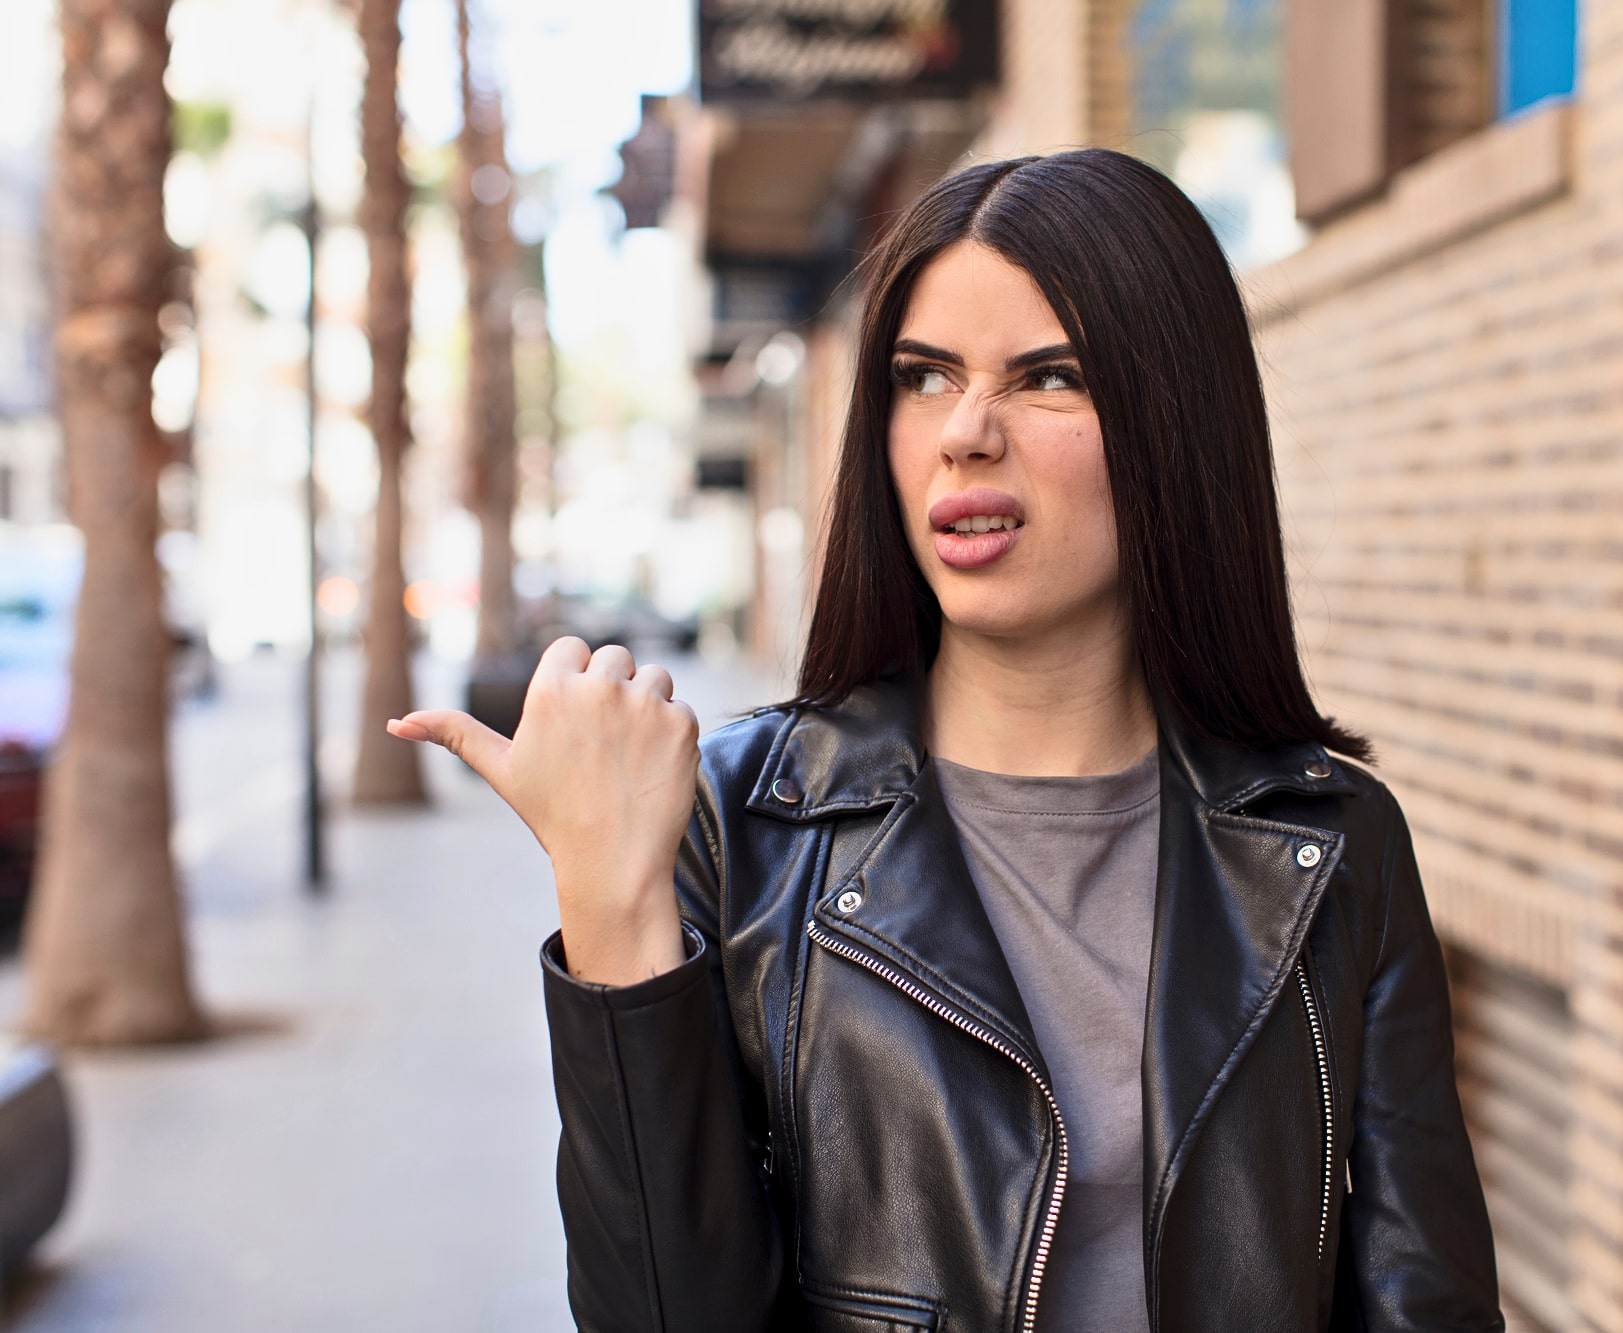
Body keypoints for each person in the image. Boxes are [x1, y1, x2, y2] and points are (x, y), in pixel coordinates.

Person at [389, 148, 1503, 1332]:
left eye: (1048, 377)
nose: (963, 432)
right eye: (923, 378)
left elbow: (1423, 1296)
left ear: (1175, 423)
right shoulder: (745, 827)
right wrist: (609, 908)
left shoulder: (1327, 841)